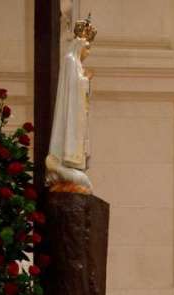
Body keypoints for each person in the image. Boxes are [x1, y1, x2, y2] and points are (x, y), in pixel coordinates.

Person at [46, 16, 96, 194]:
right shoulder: (70, 60)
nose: (88, 52)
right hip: (70, 112)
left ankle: (66, 171)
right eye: (87, 48)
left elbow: (79, 88)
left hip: (77, 114)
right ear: (79, 45)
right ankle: (61, 166)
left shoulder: (75, 64)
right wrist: (85, 80)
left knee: (83, 181)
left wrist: (85, 82)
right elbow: (72, 87)